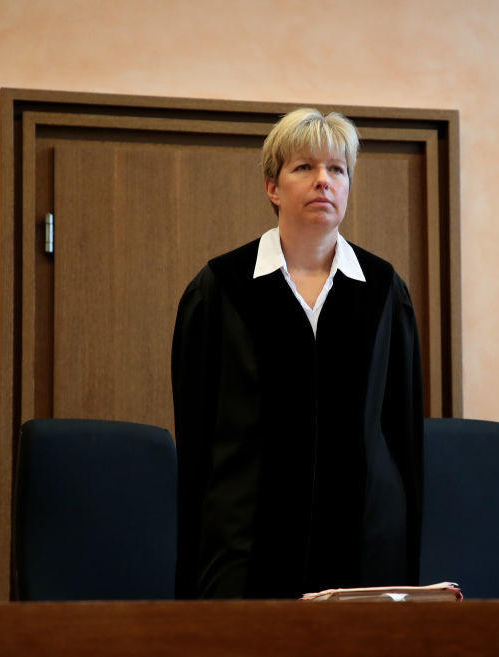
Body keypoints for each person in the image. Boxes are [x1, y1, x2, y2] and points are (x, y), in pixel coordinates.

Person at [172, 108, 424, 599]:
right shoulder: (221, 287)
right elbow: (197, 438)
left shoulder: (383, 290)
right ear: (273, 187)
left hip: (367, 544)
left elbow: (402, 432)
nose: (323, 181)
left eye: (337, 169)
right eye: (305, 167)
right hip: (245, 545)